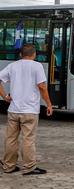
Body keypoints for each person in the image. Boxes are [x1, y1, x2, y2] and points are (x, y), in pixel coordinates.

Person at [0, 43, 53, 175]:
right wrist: (49, 104)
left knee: (11, 139)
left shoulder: (12, 66)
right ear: (34, 54)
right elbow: (42, 86)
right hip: (30, 111)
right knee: (28, 139)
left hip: (13, 110)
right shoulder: (37, 66)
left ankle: (9, 166)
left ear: (20, 54)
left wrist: (4, 96)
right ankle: (29, 167)